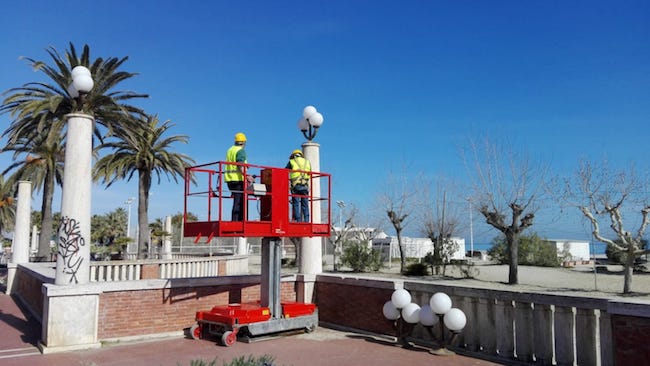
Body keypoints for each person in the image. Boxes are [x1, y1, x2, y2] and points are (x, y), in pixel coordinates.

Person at [225, 132, 254, 221]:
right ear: (243, 142)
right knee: (240, 202)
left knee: (237, 201)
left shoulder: (230, 150)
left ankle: (236, 223)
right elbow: (240, 165)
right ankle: (238, 224)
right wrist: (247, 176)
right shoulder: (240, 151)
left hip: (229, 179)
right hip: (237, 180)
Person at [285, 149, 312, 222]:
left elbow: (284, 171)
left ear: (293, 156)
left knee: (296, 203)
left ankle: (298, 220)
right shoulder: (307, 162)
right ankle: (306, 220)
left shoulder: (292, 161)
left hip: (296, 186)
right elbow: (310, 173)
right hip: (305, 186)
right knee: (305, 204)